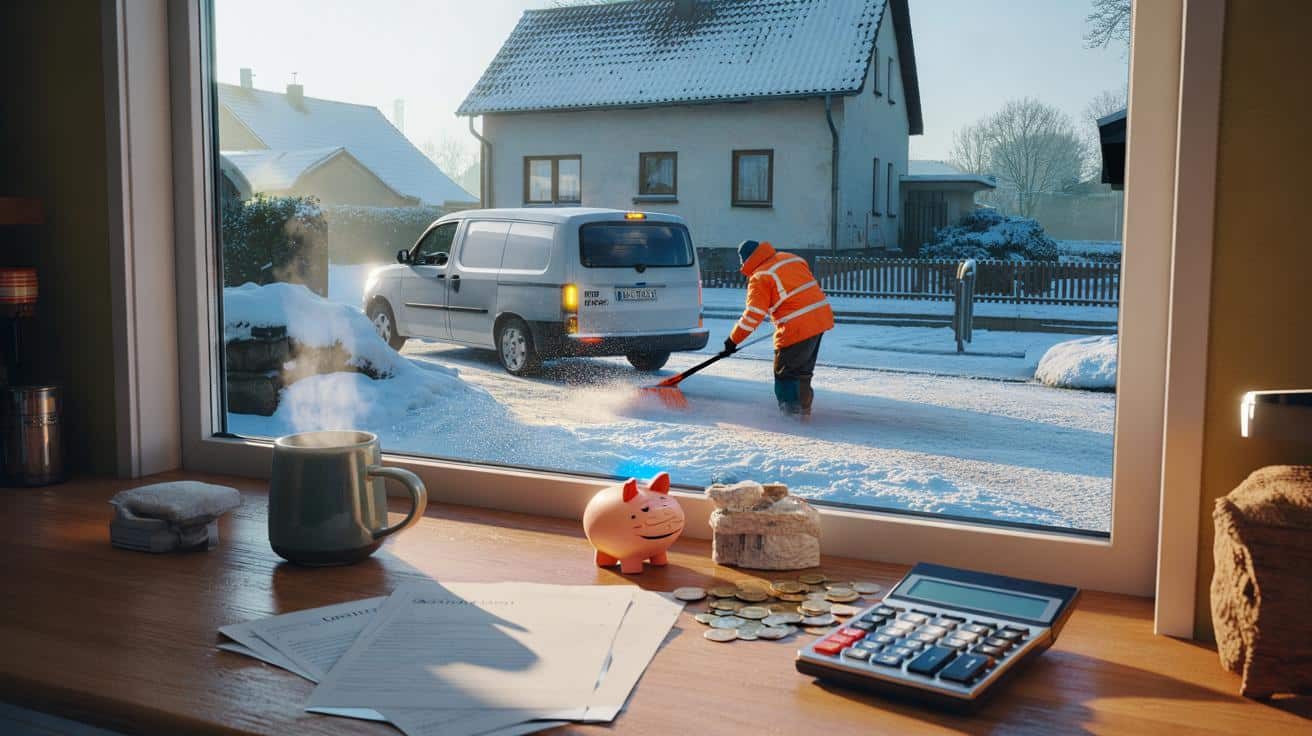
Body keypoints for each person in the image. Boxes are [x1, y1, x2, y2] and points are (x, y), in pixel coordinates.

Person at [724, 240, 834, 417]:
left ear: (746, 260)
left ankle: (792, 416)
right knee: (803, 372)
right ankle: (804, 413)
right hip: (820, 319)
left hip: (796, 327)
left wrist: (732, 340)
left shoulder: (760, 276)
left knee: (785, 374)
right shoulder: (790, 258)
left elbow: (753, 315)